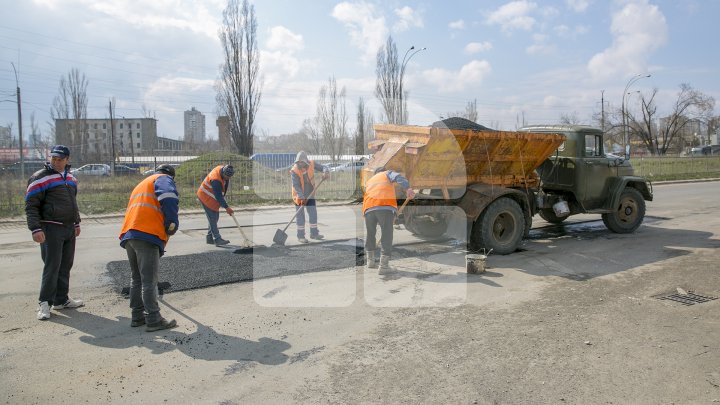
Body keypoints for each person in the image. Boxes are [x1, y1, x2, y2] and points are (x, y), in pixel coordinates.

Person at [26, 145, 84, 320]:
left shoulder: (71, 178)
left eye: (60, 159)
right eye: (53, 158)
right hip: (50, 227)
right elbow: (31, 205)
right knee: (52, 266)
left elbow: (72, 202)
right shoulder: (39, 178)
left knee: (66, 265)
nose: (56, 162)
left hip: (68, 227)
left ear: (67, 160)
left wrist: (76, 222)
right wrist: (35, 228)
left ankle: (61, 299)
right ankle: (44, 303)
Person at [119, 164, 179, 332]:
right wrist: (172, 223)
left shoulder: (143, 183)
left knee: (136, 278)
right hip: (147, 234)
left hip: (130, 234)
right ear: (171, 176)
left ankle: (137, 316)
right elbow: (168, 197)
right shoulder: (164, 179)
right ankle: (154, 318)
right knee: (149, 281)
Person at [362, 167, 415, 274]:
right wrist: (408, 188)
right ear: (383, 171)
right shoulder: (387, 173)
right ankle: (384, 266)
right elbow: (399, 178)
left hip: (368, 209)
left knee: (370, 233)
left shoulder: (370, 180)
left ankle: (370, 261)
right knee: (387, 234)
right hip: (384, 206)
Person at [290, 151, 329, 243]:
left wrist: (325, 171)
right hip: (299, 195)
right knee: (300, 217)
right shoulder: (294, 170)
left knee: (313, 214)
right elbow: (296, 186)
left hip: (310, 194)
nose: (300, 164)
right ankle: (300, 236)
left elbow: (324, 167)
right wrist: (302, 198)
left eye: (301, 162)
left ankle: (314, 234)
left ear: (305, 162)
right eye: (298, 162)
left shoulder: (311, 164)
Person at [196, 164, 235, 246]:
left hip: (211, 196)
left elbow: (224, 187)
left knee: (214, 218)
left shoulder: (223, 170)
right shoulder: (215, 180)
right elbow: (218, 195)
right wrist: (226, 207)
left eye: (229, 177)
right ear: (223, 173)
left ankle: (209, 238)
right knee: (213, 218)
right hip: (205, 196)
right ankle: (217, 239)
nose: (228, 178)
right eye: (226, 177)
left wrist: (223, 201)